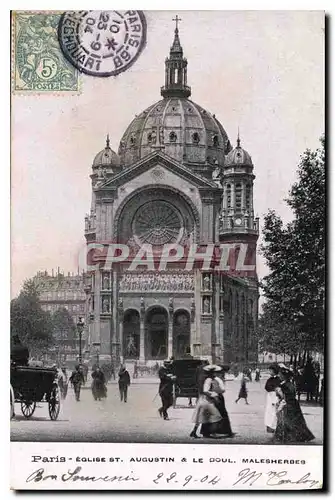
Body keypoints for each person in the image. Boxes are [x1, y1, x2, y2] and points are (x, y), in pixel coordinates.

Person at [190, 364, 235, 438]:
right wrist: (214, 394)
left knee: (202, 416)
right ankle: (213, 431)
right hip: (208, 400)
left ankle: (196, 431)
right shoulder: (210, 379)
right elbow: (207, 390)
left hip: (203, 399)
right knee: (215, 415)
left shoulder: (204, 378)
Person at [274, 363, 315, 443]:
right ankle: (295, 435)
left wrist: (279, 393)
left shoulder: (285, 385)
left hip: (289, 403)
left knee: (288, 419)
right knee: (295, 420)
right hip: (293, 404)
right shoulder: (290, 384)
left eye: (281, 375)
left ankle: (288, 436)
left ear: (284, 376)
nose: (279, 376)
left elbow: (284, 395)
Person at [264, 363, 281, 433]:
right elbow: (266, 387)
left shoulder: (278, 379)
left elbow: (278, 388)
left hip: (275, 396)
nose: (269, 372)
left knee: (274, 411)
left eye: (271, 370)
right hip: (270, 396)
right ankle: (269, 426)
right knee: (269, 411)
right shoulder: (269, 379)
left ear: (274, 371)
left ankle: (274, 426)